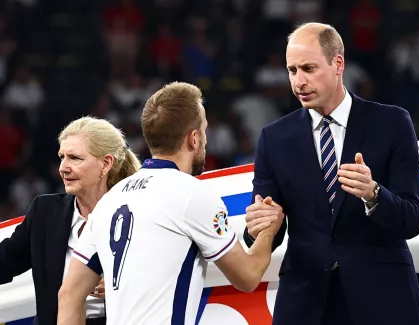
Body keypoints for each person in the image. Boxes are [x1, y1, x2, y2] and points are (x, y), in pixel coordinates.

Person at [242, 22, 419, 325]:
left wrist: (374, 195)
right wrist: (260, 226)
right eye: (292, 71)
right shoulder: (274, 139)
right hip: (306, 304)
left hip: (383, 299)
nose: (298, 81)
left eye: (308, 68)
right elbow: (264, 235)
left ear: (338, 64)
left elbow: (413, 218)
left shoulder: (392, 123)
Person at [56, 82, 283, 325]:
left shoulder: (110, 200)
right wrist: (269, 230)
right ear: (193, 139)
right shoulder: (192, 194)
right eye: (204, 131)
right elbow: (247, 277)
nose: (205, 141)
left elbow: (69, 294)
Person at [0, 116, 142, 325]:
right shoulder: (45, 212)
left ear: (105, 163)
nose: (63, 168)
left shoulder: (141, 214)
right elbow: (5, 260)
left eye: (75, 158)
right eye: (62, 157)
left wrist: (124, 283)